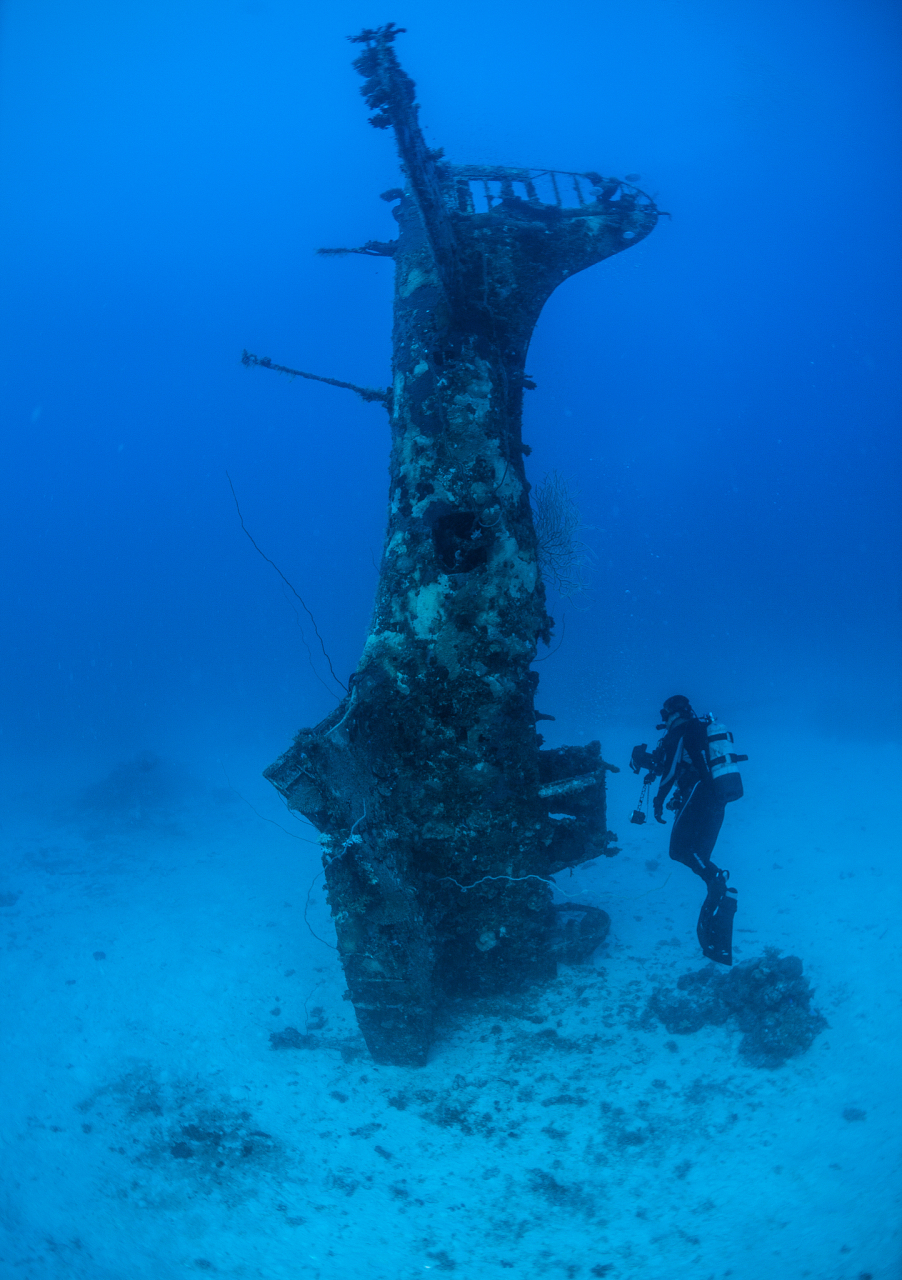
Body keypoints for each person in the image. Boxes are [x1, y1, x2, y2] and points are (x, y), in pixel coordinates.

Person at [630, 694, 738, 965]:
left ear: (670, 713)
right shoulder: (696, 730)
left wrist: (658, 800)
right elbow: (672, 762)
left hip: (700, 792)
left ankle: (715, 882)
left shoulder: (680, 730)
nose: (663, 721)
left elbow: (668, 772)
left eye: (664, 716)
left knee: (679, 850)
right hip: (716, 796)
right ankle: (720, 894)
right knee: (698, 852)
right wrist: (645, 760)